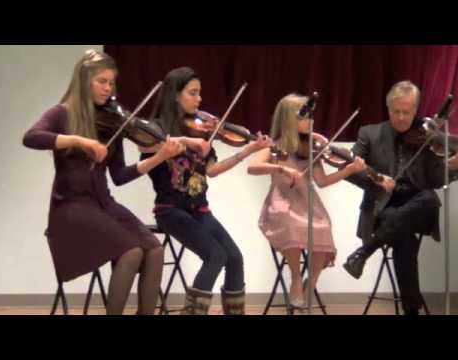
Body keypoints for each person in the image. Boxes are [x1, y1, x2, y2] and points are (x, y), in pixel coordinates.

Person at [23, 50, 185, 315]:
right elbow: (31, 137)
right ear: (84, 80)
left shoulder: (112, 121)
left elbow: (120, 176)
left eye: (111, 83)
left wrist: (160, 156)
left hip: (104, 204)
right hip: (71, 206)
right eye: (102, 81)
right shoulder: (62, 113)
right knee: (131, 252)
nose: (108, 88)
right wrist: (78, 140)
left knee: (154, 251)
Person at [140, 67, 272, 314]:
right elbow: (146, 145)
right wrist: (189, 142)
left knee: (234, 258)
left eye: (200, 93)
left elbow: (212, 170)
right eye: (193, 93)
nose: (199, 99)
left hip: (199, 210)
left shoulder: (201, 130)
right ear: (174, 95)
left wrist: (249, 150)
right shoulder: (156, 129)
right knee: (215, 256)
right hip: (170, 210)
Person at [343, 80, 458, 315]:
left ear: (416, 109)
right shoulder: (370, 133)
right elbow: (350, 172)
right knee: (404, 239)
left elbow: (437, 181)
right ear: (388, 108)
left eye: (407, 112)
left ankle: (364, 252)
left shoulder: (428, 136)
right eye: (396, 111)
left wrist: (453, 166)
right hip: (381, 208)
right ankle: (411, 311)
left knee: (427, 198)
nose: (402, 117)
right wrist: (376, 179)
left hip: (418, 207)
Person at [248, 93, 366, 308]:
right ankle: (294, 277)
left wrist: (349, 169)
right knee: (290, 223)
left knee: (322, 226)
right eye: (304, 117)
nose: (310, 122)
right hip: (281, 202)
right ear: (288, 120)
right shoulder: (275, 147)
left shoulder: (310, 149)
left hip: (309, 203)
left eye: (311, 117)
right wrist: (280, 167)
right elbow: (252, 167)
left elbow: (322, 181)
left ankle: (310, 283)